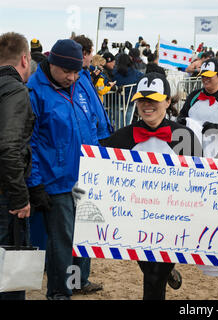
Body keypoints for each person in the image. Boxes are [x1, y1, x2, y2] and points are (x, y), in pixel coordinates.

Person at [102, 73, 202, 299]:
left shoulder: (184, 137)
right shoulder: (121, 138)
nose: (147, 105)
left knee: (155, 275)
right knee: (149, 270)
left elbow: (204, 182)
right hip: (135, 223)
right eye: (142, 99)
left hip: (174, 224)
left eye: (154, 99)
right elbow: (100, 177)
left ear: (168, 101)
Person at [26, 39, 101, 300]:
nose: (72, 77)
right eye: (67, 72)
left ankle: (75, 283)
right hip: (56, 183)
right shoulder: (34, 91)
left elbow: (91, 122)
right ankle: (59, 293)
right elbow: (30, 142)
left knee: (82, 238)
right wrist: (35, 183)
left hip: (85, 176)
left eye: (76, 71)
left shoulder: (80, 84)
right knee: (62, 243)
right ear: (52, 64)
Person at [0, 32, 34, 301]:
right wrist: (20, 197)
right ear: (24, 59)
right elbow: (9, 147)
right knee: (9, 273)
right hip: (5, 196)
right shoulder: (15, 90)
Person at [178, 58, 218, 160]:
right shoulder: (193, 96)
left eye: (209, 76)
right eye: (203, 76)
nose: (205, 79)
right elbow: (182, 116)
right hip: (193, 152)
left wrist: (215, 128)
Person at [73, 35, 113, 142]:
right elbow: (84, 116)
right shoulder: (76, 78)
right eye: (91, 53)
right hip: (95, 138)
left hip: (100, 134)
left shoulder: (85, 75)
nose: (92, 57)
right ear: (84, 54)